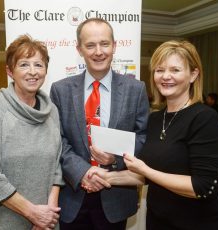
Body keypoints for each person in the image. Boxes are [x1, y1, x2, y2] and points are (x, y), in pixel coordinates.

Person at [89, 40, 218, 230]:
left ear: (193, 74)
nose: (166, 76)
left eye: (175, 70)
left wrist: (145, 170)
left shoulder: (205, 118)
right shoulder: (155, 119)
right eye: (160, 70)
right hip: (158, 221)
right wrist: (105, 176)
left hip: (196, 223)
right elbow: (146, 176)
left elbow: (202, 187)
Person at [50, 18, 149, 230]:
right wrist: (83, 171)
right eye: (90, 45)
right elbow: (56, 140)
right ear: (79, 49)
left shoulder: (136, 89)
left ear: (114, 46)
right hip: (73, 194)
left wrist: (116, 158)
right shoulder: (60, 90)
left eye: (104, 43)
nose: (98, 51)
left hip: (115, 198)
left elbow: (142, 136)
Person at [0, 34, 63, 229]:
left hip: (45, 221)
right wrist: (33, 213)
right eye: (23, 65)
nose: (33, 72)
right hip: (3, 221)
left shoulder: (52, 111)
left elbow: (57, 167)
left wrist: (48, 214)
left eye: (38, 65)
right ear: (10, 71)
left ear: (46, 70)